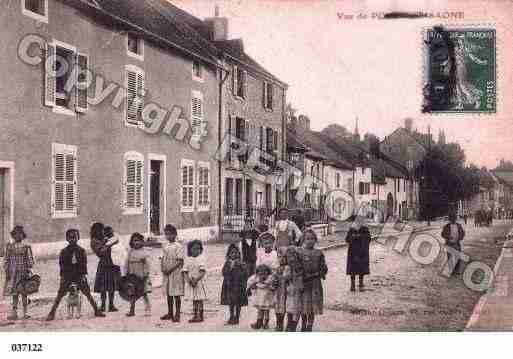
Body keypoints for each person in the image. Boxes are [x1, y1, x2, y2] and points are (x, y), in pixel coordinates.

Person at [46, 229, 105, 321]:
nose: (72, 239)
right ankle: (52, 313)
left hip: (78, 275)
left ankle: (96, 310)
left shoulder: (82, 251)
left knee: (87, 293)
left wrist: (83, 276)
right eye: (70, 237)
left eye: (74, 237)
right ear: (67, 239)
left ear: (78, 238)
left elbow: (84, 264)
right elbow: (62, 265)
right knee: (60, 294)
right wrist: (62, 277)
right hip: (67, 276)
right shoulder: (64, 251)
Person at [3, 225, 35, 320]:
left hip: (23, 273)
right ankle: (14, 313)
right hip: (13, 274)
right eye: (16, 234)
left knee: (24, 293)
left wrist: (29, 269)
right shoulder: (10, 247)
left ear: (23, 236)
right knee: (14, 294)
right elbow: (6, 259)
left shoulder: (26, 247)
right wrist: (7, 270)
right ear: (13, 235)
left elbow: (30, 260)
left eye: (20, 234)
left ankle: (25, 313)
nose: (18, 236)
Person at [299, 229, 327, 331]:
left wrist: (321, 272)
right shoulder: (300, 253)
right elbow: (297, 267)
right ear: (303, 240)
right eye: (307, 239)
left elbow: (323, 267)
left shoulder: (319, 253)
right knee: (303, 304)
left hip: (315, 283)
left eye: (312, 239)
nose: (310, 241)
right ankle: (303, 323)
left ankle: (310, 325)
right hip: (304, 282)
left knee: (312, 306)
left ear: (315, 240)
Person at [91, 223, 120, 313]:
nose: (103, 232)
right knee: (103, 287)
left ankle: (111, 305)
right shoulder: (94, 241)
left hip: (111, 263)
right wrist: (109, 244)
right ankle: (103, 305)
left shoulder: (104, 238)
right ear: (97, 231)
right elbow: (100, 252)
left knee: (111, 286)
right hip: (104, 264)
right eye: (101, 230)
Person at [160, 224, 185, 322]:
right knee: (169, 293)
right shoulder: (165, 246)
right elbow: (162, 258)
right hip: (167, 273)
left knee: (176, 294)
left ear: (175, 234)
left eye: (170, 234)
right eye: (166, 234)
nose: (168, 236)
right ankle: (170, 312)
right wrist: (163, 268)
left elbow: (180, 261)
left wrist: (170, 269)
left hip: (175, 273)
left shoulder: (178, 246)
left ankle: (177, 314)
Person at [220, 244, 248, 325]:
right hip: (229, 286)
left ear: (239, 254)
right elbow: (223, 273)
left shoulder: (241, 263)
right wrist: (230, 268)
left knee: (238, 303)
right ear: (228, 255)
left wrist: (241, 268)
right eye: (232, 253)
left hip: (238, 286)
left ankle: (237, 317)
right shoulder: (227, 263)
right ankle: (231, 316)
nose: (234, 254)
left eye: (236, 253)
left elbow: (246, 273)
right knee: (231, 302)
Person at [125, 233, 152, 317]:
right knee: (132, 293)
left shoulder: (144, 252)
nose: (136, 243)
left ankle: (148, 309)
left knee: (144, 293)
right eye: (134, 241)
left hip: (142, 276)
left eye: (138, 240)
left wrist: (145, 274)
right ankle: (132, 310)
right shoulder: (130, 252)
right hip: (132, 276)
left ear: (141, 241)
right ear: (131, 242)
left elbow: (146, 265)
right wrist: (126, 274)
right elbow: (126, 263)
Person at [278, 246, 304, 332]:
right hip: (289, 292)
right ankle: (289, 325)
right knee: (289, 309)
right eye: (289, 257)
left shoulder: (300, 267)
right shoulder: (287, 268)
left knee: (296, 310)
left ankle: (293, 326)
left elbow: (301, 279)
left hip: (297, 292)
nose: (291, 259)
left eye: (293, 256)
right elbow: (285, 278)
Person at [182, 239, 208, 323]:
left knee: (199, 299)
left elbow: (202, 271)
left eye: (198, 249)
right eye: (193, 249)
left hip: (199, 282)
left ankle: (200, 315)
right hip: (191, 282)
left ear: (201, 250)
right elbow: (185, 271)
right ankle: (195, 314)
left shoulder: (201, 259)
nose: (196, 251)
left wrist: (196, 280)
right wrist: (189, 280)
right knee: (194, 299)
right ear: (190, 250)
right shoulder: (188, 259)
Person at [247, 264, 274, 330]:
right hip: (259, 297)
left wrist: (263, 283)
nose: (262, 273)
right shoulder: (256, 278)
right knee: (260, 310)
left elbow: (270, 285)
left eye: (265, 271)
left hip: (267, 297)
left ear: (268, 272)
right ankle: (259, 322)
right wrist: (253, 285)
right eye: (260, 271)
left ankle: (266, 323)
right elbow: (251, 283)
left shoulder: (269, 278)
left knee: (266, 311)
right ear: (257, 272)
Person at [345, 226, 371, 292]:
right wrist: (353, 237)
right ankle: (352, 285)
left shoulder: (365, 229)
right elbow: (347, 239)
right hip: (353, 253)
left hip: (362, 252)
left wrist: (361, 237)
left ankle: (361, 284)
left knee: (361, 269)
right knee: (352, 270)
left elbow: (369, 239)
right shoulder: (352, 229)